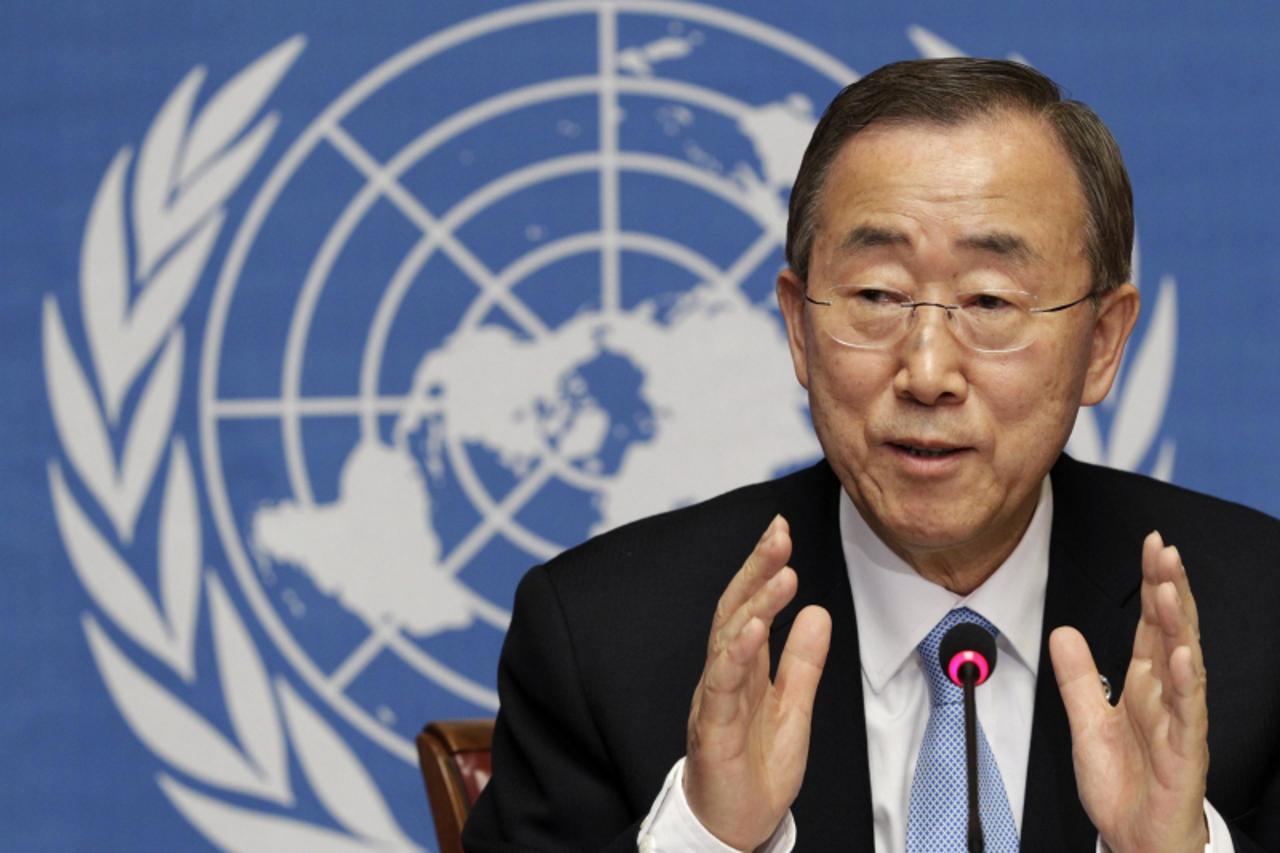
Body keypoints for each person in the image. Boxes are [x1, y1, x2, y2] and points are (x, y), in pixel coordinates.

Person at [462, 58, 1280, 852]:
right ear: (798, 325)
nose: (927, 371)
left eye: (990, 299)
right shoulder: (604, 639)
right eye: (878, 295)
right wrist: (708, 837)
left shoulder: (1260, 624)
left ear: (1101, 342)